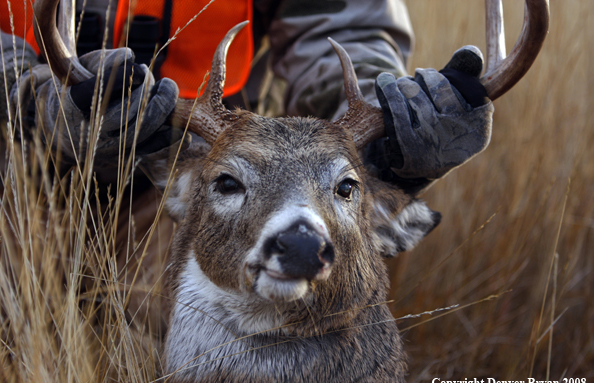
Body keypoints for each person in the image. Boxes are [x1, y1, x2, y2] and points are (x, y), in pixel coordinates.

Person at [0, 0, 493, 194]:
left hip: (184, 187)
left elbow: (344, 30)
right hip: (12, 171)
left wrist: (387, 126)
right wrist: (35, 103)